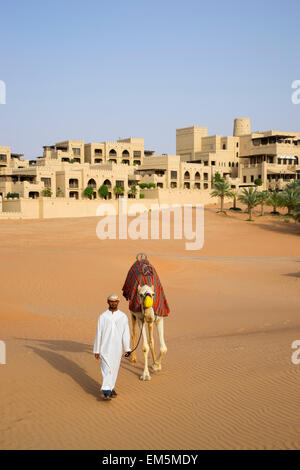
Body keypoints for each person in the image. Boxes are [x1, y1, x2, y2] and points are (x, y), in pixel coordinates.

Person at [94, 294, 131, 401]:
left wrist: (127, 348)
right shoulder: (103, 316)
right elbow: (98, 333)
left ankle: (111, 387)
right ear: (107, 302)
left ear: (118, 302)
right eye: (111, 301)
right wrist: (97, 350)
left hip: (117, 348)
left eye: (115, 301)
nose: (113, 303)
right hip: (105, 348)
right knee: (106, 368)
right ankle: (106, 391)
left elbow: (126, 333)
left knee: (114, 369)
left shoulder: (123, 316)